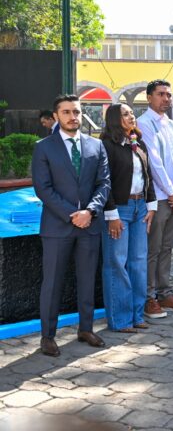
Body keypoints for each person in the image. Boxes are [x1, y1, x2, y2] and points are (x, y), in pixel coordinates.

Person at [31, 95, 110, 356]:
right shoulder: (44, 147)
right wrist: (72, 214)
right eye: (66, 112)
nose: (72, 117)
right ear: (56, 117)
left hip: (89, 225)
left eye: (76, 111)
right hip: (57, 227)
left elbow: (103, 184)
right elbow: (43, 188)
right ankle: (48, 336)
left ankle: (86, 329)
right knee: (52, 282)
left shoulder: (96, 146)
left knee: (87, 279)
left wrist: (89, 211)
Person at [101, 104, 157, 334]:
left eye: (132, 113)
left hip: (140, 208)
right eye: (125, 114)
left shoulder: (138, 143)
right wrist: (111, 214)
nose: (131, 116)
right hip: (119, 210)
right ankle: (120, 319)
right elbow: (103, 182)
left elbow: (148, 176)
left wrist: (151, 206)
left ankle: (136, 315)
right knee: (117, 263)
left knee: (138, 263)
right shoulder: (107, 146)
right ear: (114, 119)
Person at [136, 79, 173, 317]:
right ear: (149, 97)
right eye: (161, 94)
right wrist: (171, 192)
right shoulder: (143, 124)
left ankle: (164, 292)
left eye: (169, 95)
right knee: (153, 249)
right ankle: (149, 298)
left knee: (168, 247)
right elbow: (154, 163)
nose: (166, 99)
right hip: (158, 198)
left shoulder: (171, 124)